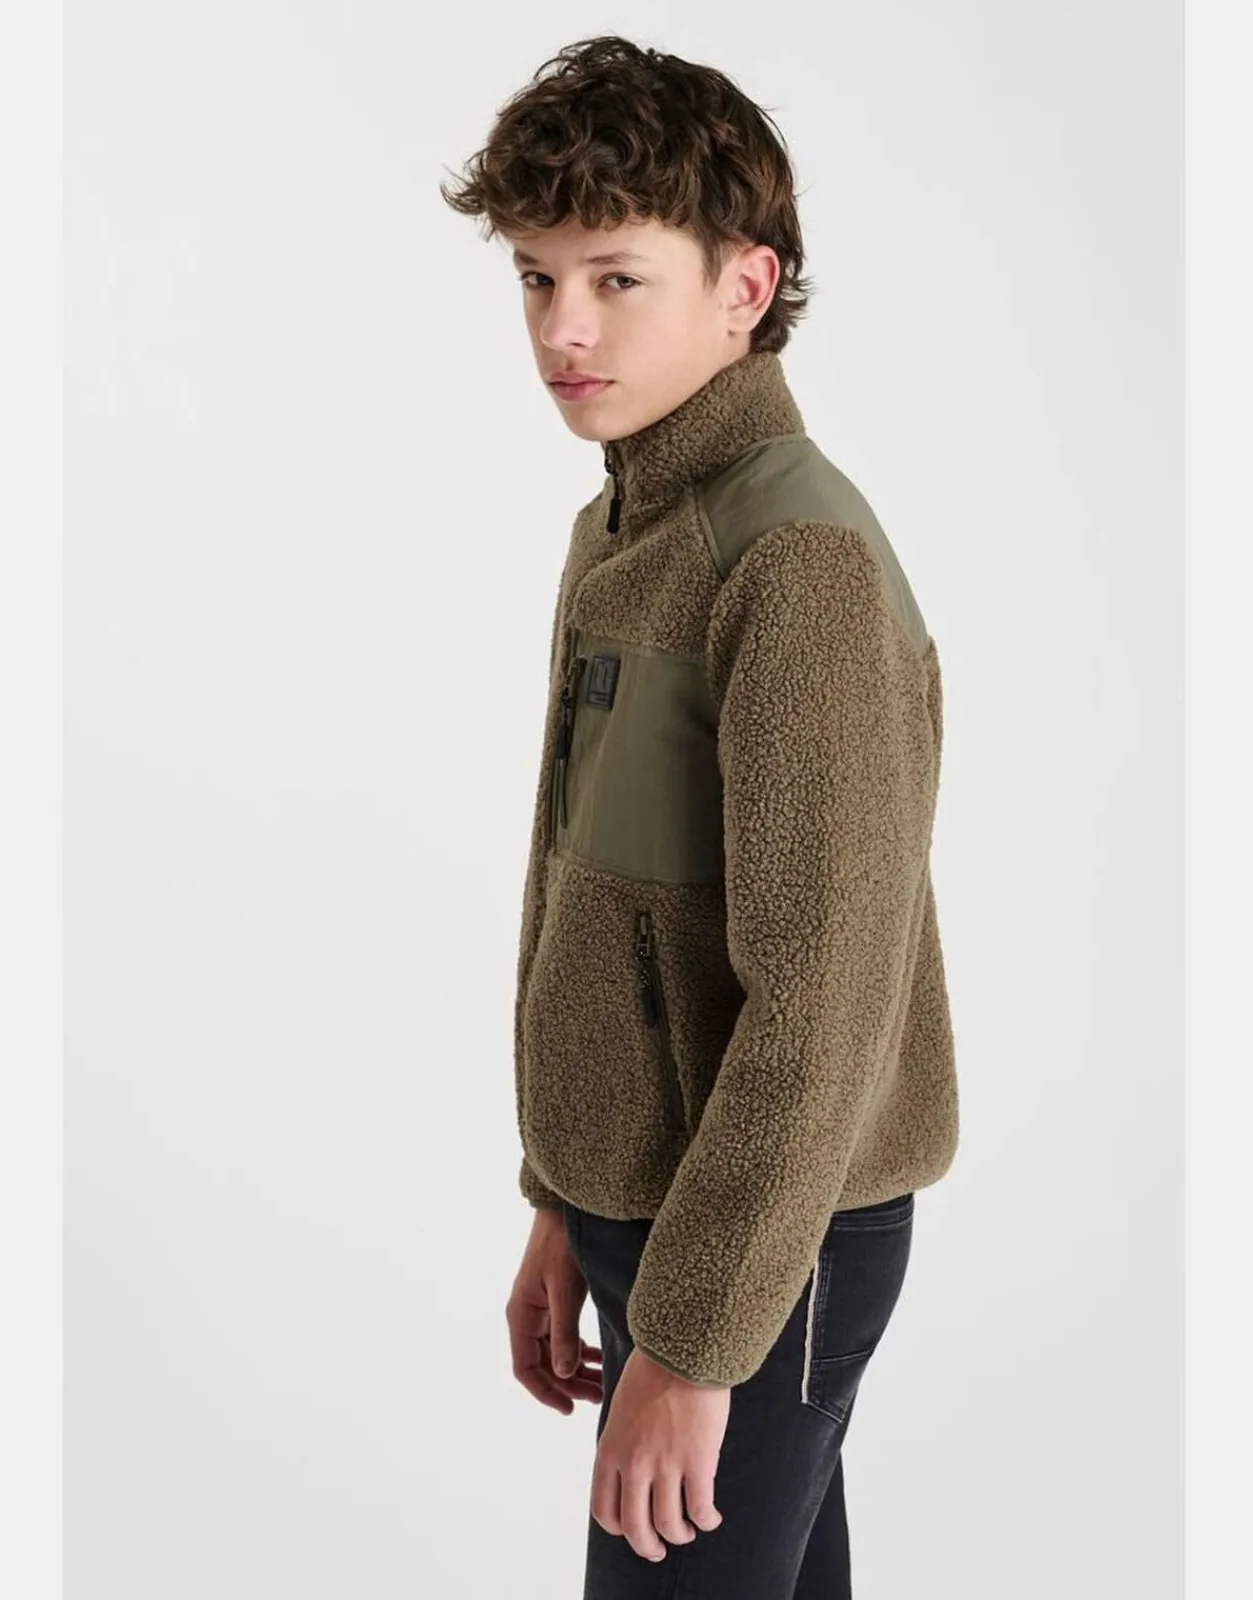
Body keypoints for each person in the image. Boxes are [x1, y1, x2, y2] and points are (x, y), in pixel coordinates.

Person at [441, 35, 959, 1599]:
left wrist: (693, 1337)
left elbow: (826, 999)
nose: (562, 328)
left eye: (616, 278)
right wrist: (563, 1198)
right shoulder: (633, 527)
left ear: (746, 286)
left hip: (764, 1244)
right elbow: (593, 901)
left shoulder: (790, 560)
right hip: (665, 1220)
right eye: (537, 278)